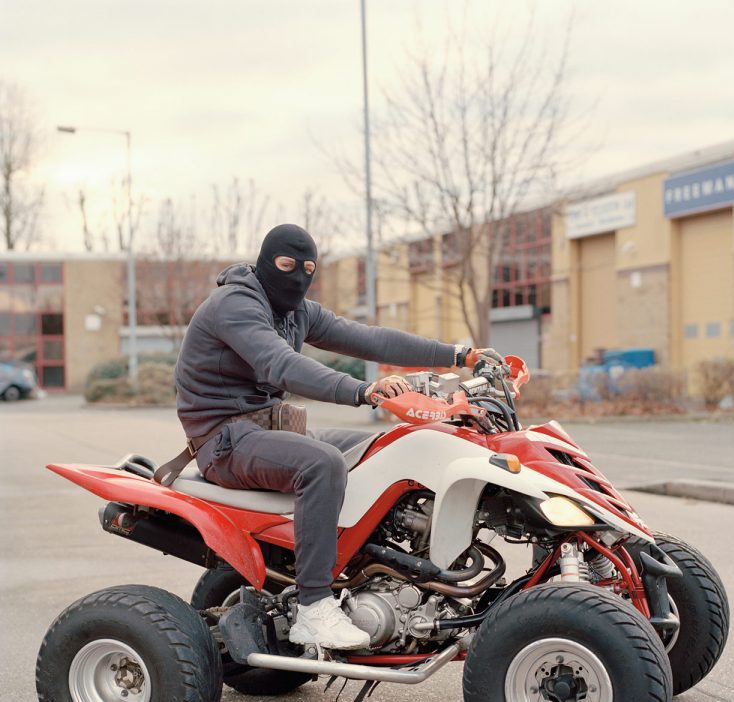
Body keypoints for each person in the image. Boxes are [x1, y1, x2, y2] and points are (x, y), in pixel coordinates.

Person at [174, 223, 502, 651]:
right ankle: (313, 607)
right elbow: (280, 365)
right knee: (321, 463)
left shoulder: (296, 312)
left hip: (269, 428)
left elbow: (369, 339)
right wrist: (361, 391)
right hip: (225, 439)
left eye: (307, 268)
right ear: (265, 262)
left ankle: (375, 570)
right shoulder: (236, 304)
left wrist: (459, 355)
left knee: (397, 446)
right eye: (287, 266)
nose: (296, 277)